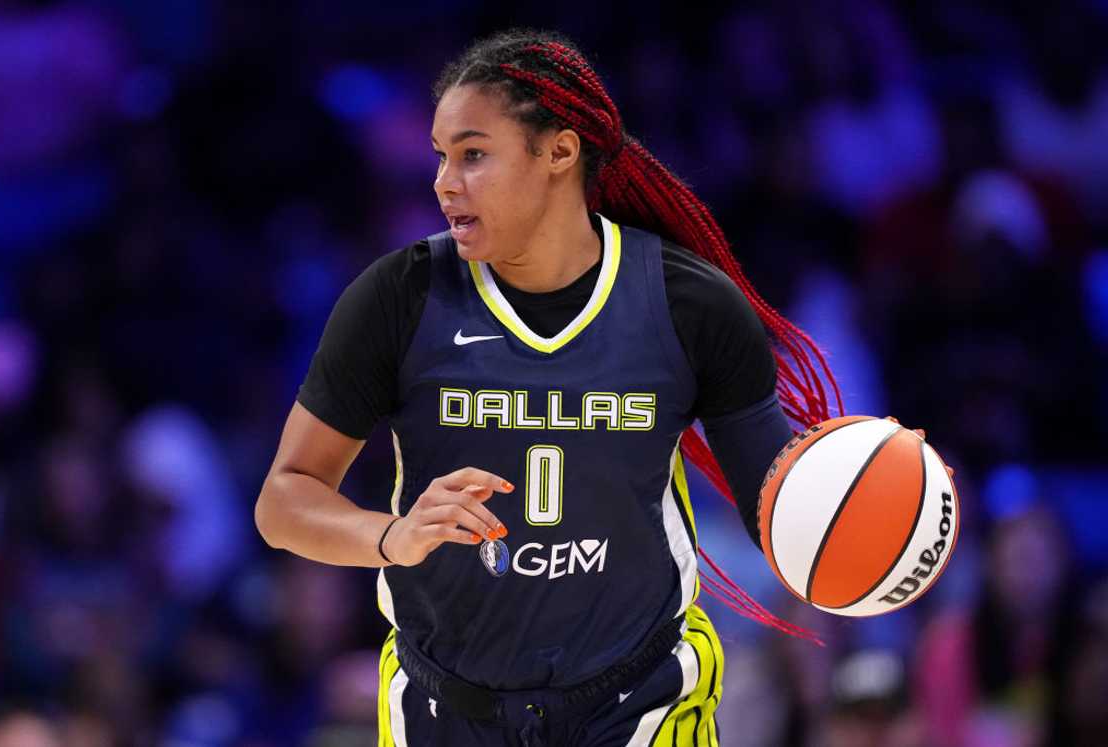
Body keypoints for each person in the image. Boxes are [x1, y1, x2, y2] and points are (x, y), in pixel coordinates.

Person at [255, 29, 838, 747]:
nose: (443, 181)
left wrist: (863, 515)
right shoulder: (399, 297)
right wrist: (391, 535)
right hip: (443, 705)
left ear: (559, 152)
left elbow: (777, 517)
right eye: (441, 156)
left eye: (473, 154)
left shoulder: (686, 303)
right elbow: (284, 499)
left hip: (640, 700)